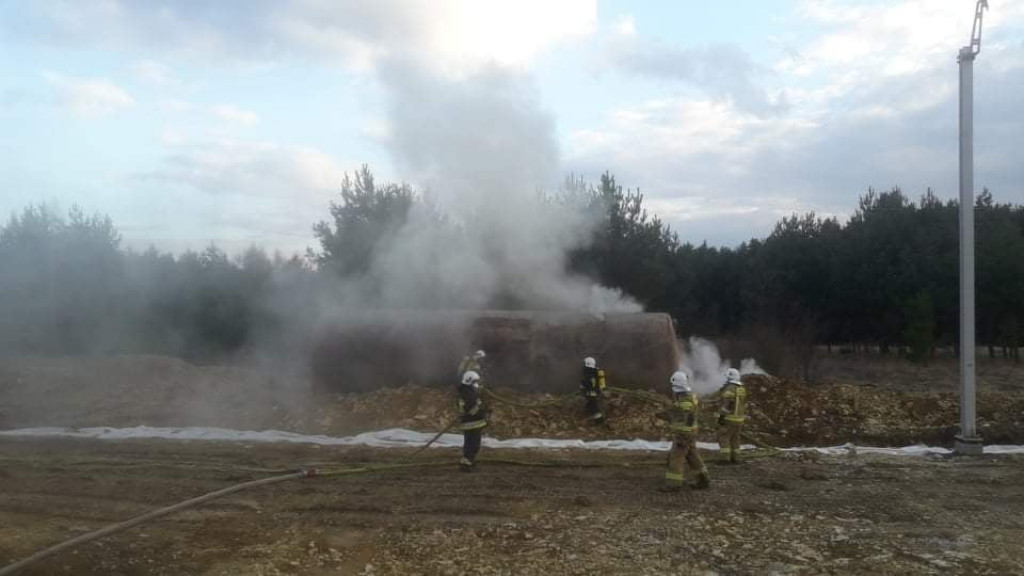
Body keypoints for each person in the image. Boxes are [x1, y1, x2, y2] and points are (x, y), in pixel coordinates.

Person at [661, 371, 710, 491]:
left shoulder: (685, 400)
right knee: (692, 456)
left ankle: (673, 484)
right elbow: (683, 416)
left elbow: (689, 418)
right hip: (690, 433)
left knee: (676, 457)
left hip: (684, 434)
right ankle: (703, 480)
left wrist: (684, 434)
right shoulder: (687, 397)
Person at [457, 370, 488, 472]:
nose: (477, 384)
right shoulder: (468, 394)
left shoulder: (467, 392)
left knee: (470, 445)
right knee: (473, 446)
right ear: (470, 381)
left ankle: (467, 462)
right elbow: (472, 410)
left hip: (470, 424)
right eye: (475, 381)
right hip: (472, 424)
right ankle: (466, 465)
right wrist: (483, 411)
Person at [717, 368, 748, 464]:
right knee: (735, 438)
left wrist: (721, 417)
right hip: (739, 419)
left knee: (724, 437)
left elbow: (727, 403)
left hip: (729, 418)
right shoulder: (741, 388)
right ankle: (736, 458)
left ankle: (725, 459)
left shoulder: (730, 388)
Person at [579, 356, 609, 425]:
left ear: (588, 364)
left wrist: (583, 389)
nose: (583, 365)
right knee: (590, 407)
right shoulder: (591, 373)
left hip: (592, 394)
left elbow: (589, 384)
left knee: (594, 408)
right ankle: (597, 421)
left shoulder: (591, 374)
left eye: (584, 363)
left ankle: (600, 422)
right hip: (591, 394)